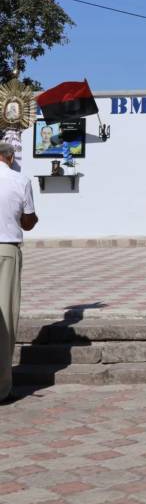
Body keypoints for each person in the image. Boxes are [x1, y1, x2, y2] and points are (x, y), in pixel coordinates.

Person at [0, 140, 37, 403]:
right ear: (10, 157)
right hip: (7, 250)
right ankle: (2, 388)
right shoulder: (20, 180)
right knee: (5, 320)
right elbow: (28, 220)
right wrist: (29, 219)